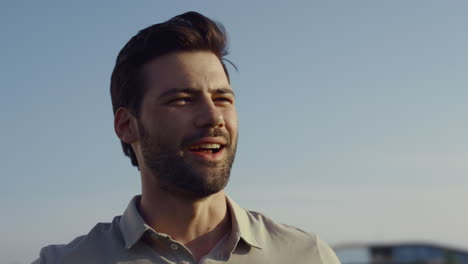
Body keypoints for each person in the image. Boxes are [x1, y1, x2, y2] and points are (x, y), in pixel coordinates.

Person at [33, 11, 341, 264]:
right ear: (126, 125)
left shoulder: (308, 255)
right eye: (182, 99)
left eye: (223, 99)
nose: (213, 117)